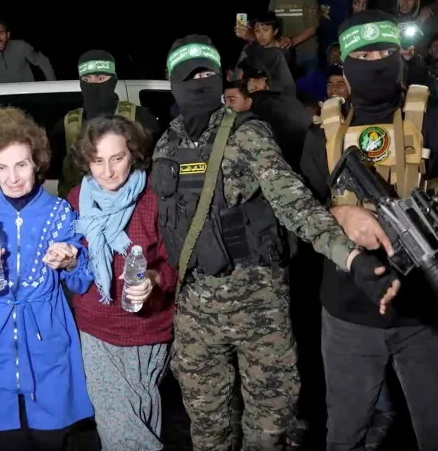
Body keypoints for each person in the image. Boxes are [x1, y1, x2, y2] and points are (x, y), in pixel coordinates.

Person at [151, 34, 397, 451]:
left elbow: (294, 203)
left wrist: (352, 258)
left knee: (268, 429)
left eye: (207, 74)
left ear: (223, 78)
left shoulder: (248, 134)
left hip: (258, 305)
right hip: (195, 310)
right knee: (207, 430)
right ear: (173, 82)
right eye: (188, 76)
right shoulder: (166, 144)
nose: (199, 83)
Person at [300, 10, 438, 451]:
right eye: (364, 55)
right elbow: (300, 208)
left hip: (425, 312)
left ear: (402, 56)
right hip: (347, 314)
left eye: (384, 51)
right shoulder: (323, 131)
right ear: (345, 65)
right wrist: (343, 215)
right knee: (345, 435)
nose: (375, 62)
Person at [0, 106, 95, 451]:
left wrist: (71, 261)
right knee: (9, 439)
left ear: (37, 163)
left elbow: (82, 283)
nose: (12, 177)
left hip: (48, 343)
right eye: (1, 167)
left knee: (52, 437)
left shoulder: (60, 211)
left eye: (21, 165)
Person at [67, 115, 177, 451]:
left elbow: (177, 265)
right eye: (97, 160)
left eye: (117, 158)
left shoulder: (155, 199)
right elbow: (75, 270)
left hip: (149, 329)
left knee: (142, 411)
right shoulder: (76, 199)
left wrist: (153, 279)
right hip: (96, 330)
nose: (108, 171)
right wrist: (68, 260)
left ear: (134, 154)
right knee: (119, 428)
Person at [52, 50, 159, 197]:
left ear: (113, 80)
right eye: (87, 79)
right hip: (79, 206)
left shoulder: (139, 117)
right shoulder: (67, 124)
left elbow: (154, 165)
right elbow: (51, 167)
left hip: (130, 203)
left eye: (101, 78)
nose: (93, 85)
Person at [0, 19, 56, 84]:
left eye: (1, 33)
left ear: (8, 34)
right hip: (2, 95)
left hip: (26, 92)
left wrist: (52, 85)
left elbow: (43, 62)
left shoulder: (22, 46)